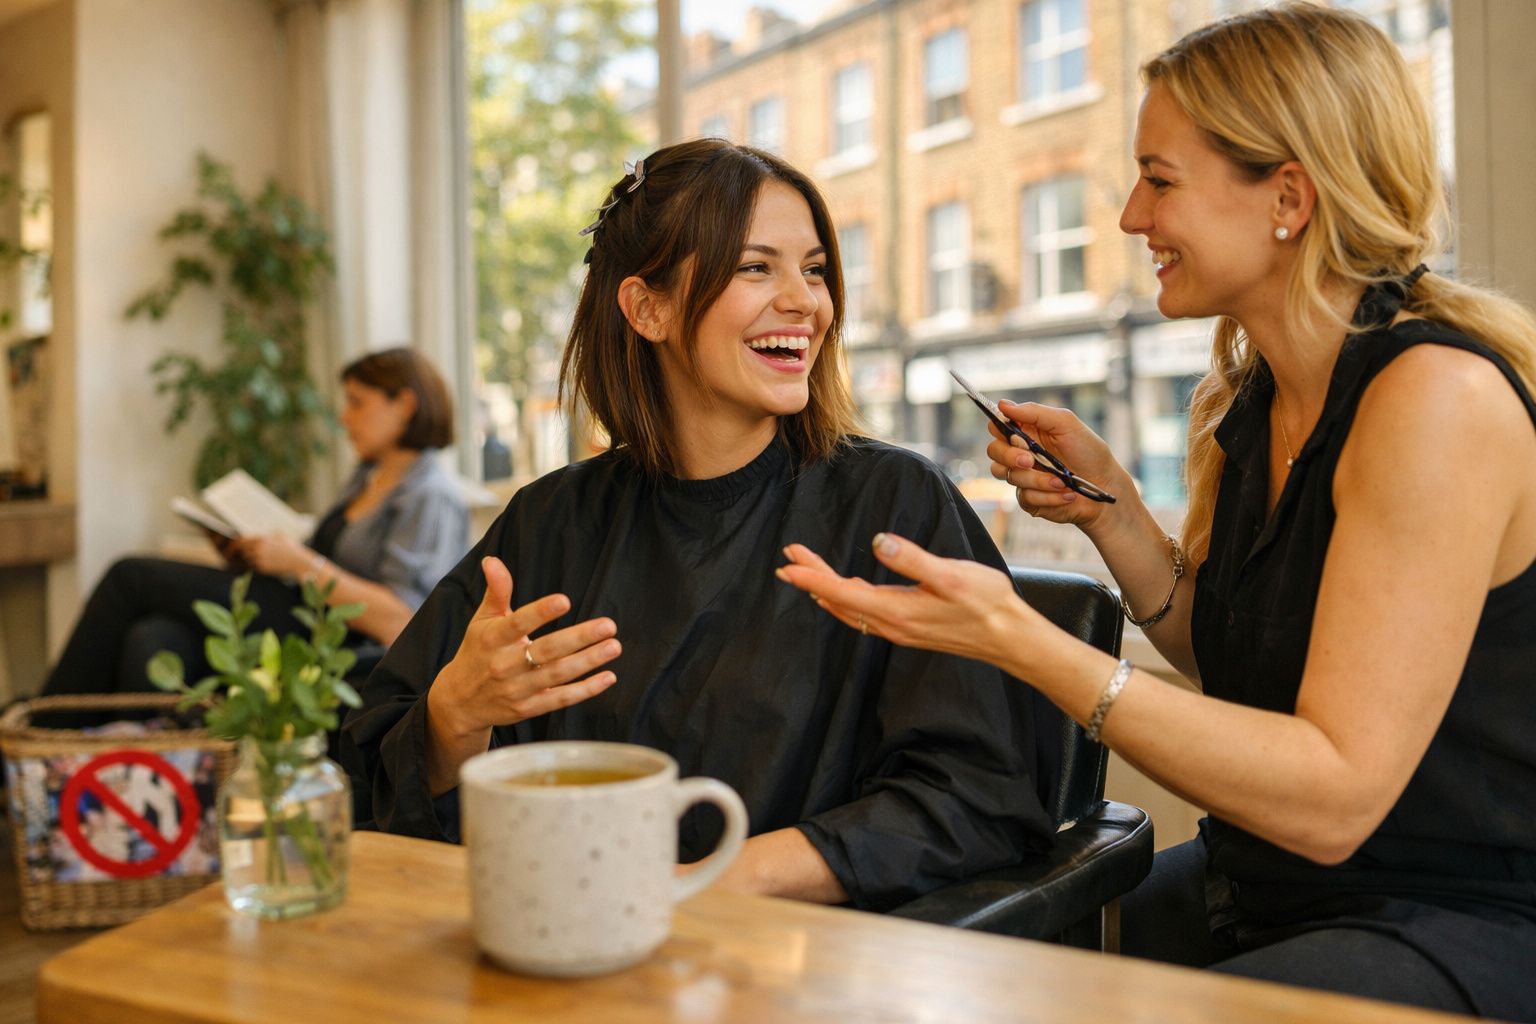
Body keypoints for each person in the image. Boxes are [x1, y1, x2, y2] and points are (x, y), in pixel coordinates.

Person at [777, 4, 1536, 1018]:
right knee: (964, 986)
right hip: (1265, 886)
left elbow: (1331, 796)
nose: (1131, 217)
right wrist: (1115, 515)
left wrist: (1021, 641)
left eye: (1160, 180)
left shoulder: (1436, 401)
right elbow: (1235, 661)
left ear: (1289, 198)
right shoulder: (1250, 398)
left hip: (1455, 920)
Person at [341, 139, 1053, 909]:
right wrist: (454, 718)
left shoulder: (893, 506)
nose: (806, 302)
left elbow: (978, 791)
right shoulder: (551, 522)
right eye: (757, 267)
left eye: (814, 269)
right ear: (649, 308)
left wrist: (700, 884)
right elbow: (372, 771)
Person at [43, 347, 471, 696]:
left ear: (406, 405)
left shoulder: (431, 496)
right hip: (295, 609)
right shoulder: (367, 477)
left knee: (129, 576)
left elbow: (404, 620)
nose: (344, 417)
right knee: (154, 638)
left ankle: (45, 728)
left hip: (339, 640)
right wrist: (253, 554)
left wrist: (298, 563)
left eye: (357, 404)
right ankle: (119, 777)